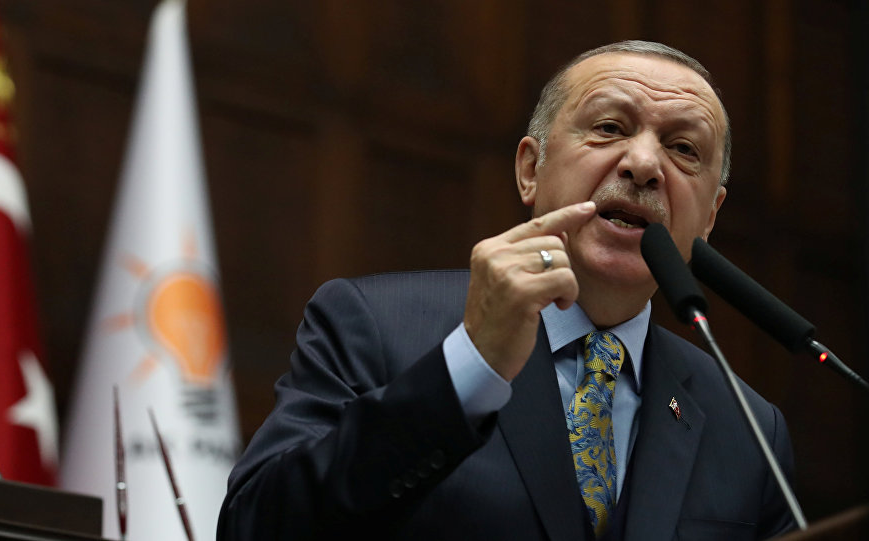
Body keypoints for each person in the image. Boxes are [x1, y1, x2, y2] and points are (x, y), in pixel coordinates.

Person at [217, 40, 796, 541]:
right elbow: (255, 526)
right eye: (609, 128)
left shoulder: (750, 429)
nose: (644, 164)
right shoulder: (374, 325)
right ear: (529, 170)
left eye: (684, 149)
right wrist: (470, 366)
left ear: (710, 216)